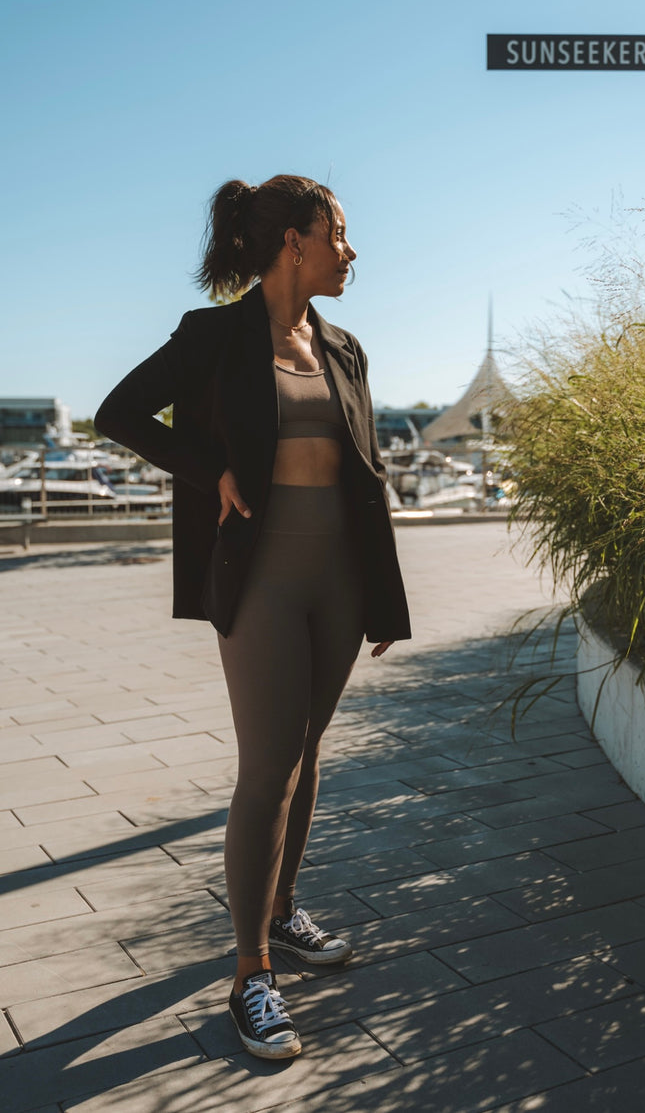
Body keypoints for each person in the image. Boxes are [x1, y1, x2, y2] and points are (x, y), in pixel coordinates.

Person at [95, 175, 411, 1061]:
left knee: (307, 751)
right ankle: (250, 973)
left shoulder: (345, 347)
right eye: (338, 233)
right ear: (292, 244)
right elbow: (121, 412)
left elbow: (368, 475)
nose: (350, 250)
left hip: (341, 581)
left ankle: (283, 911)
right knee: (267, 763)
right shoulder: (215, 336)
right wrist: (209, 470)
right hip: (263, 578)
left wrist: (382, 596)